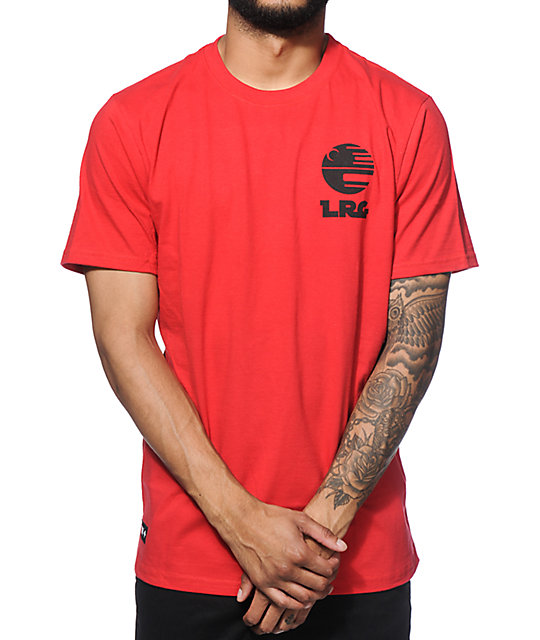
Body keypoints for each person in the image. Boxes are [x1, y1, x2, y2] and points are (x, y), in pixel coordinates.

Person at [60, 1, 478, 637]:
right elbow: (123, 337)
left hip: (353, 563)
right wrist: (240, 521)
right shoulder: (134, 121)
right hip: (193, 559)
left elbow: (412, 342)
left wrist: (317, 540)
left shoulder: (407, 117)